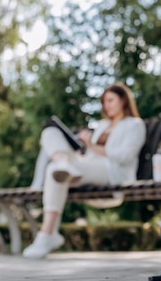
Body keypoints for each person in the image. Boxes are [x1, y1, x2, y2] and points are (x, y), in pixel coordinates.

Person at [23, 82, 146, 259]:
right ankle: (62, 162)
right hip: (88, 166)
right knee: (50, 132)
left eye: (110, 100)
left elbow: (125, 156)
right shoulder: (103, 125)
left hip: (112, 171)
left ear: (124, 100)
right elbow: (90, 152)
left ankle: (47, 235)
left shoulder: (135, 125)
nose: (106, 105)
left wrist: (91, 146)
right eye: (104, 102)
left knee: (53, 170)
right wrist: (82, 147)